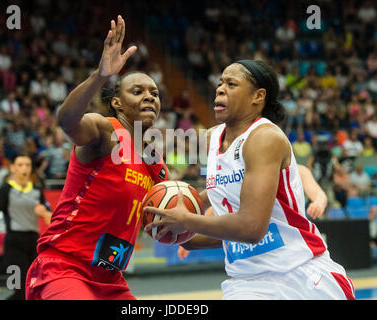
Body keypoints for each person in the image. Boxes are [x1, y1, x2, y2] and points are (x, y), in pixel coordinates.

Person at [145, 60, 355, 300]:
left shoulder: (265, 138)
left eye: (231, 84)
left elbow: (251, 228)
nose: (220, 88)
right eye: (220, 82)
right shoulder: (212, 139)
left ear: (258, 96)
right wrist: (173, 227)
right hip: (247, 282)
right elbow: (216, 199)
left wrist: (187, 220)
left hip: (300, 275)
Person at [25, 15, 168, 300]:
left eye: (154, 93)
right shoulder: (105, 130)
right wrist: (100, 76)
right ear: (116, 103)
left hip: (110, 278)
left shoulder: (155, 163)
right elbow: (66, 121)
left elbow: (166, 211)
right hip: (65, 267)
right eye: (137, 91)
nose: (149, 97)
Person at [178, 164, 328, 259]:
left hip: (286, 240)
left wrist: (318, 203)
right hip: (251, 248)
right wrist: (190, 237)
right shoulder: (243, 173)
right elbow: (218, 204)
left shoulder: (299, 170)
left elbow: (319, 193)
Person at [0, 154, 52, 300]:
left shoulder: (36, 189)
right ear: (13, 168)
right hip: (13, 242)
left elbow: (50, 217)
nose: (24, 168)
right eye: (20, 165)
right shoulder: (5, 189)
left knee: (33, 285)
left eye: (27, 165)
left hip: (33, 241)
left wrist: (44, 212)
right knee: (17, 287)